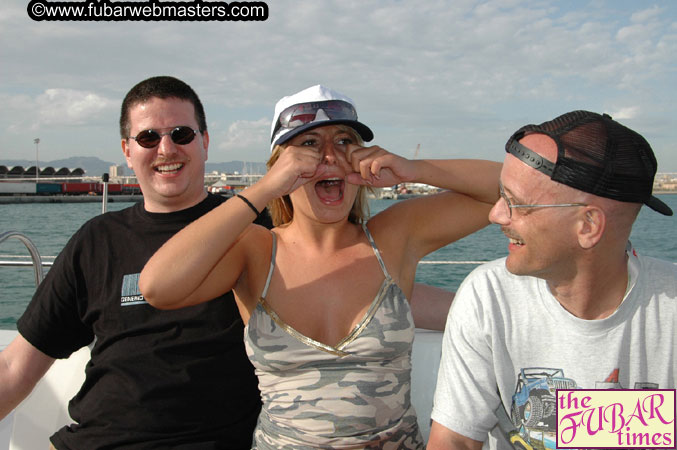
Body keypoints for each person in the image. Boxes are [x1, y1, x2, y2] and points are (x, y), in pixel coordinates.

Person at [139, 84, 501, 449]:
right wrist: (264, 189)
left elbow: (511, 189)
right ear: (281, 164)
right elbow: (158, 286)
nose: (329, 155)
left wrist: (413, 169)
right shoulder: (255, 249)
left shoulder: (393, 237)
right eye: (309, 144)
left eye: (344, 141)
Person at [0, 76, 270, 449]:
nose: (166, 149)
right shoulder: (96, 240)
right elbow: (15, 368)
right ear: (127, 151)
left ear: (205, 142)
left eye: (181, 134)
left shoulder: (261, 230)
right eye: (148, 138)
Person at [427, 110, 676, 450]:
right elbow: (453, 440)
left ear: (588, 226)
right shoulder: (488, 297)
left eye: (515, 203)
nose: (496, 214)